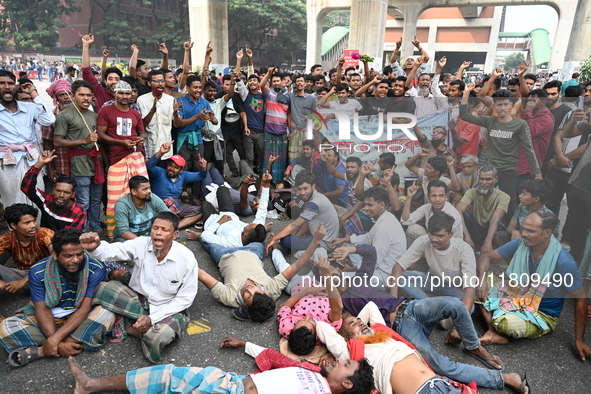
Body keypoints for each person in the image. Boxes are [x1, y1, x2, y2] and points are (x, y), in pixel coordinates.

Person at [317, 300, 531, 393]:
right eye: (354, 324)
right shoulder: (352, 352)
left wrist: (358, 324)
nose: (361, 323)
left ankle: (479, 350)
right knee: (445, 365)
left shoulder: (381, 332)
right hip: (422, 389)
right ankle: (503, 378)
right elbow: (321, 327)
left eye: (359, 320)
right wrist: (345, 332)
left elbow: (372, 308)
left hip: (439, 384)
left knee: (454, 306)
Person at [66, 336, 374, 394]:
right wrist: (245, 344)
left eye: (348, 366)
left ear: (346, 383)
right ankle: (90, 384)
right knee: (165, 375)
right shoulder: (314, 369)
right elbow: (277, 357)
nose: (342, 361)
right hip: (230, 380)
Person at [82, 212, 198, 363]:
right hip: (138, 299)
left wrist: (152, 319)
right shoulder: (141, 244)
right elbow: (112, 251)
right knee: (104, 289)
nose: (158, 232)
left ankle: (128, 325)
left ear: (175, 235)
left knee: (159, 337)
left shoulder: (187, 259)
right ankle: (137, 326)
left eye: (164, 230)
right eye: (155, 228)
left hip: (168, 308)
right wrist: (95, 248)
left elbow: (185, 299)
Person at [476, 210, 591, 363]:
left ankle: (492, 317)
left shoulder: (565, 263)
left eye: (530, 230)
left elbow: (581, 299)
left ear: (547, 233)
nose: (523, 233)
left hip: (540, 314)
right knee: (474, 283)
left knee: (506, 324)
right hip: (513, 294)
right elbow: (486, 257)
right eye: (523, 228)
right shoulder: (521, 244)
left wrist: (579, 339)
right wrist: (482, 279)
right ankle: (493, 329)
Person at [0, 229, 114, 367]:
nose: (76, 260)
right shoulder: (37, 271)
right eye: (68, 256)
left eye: (80, 254)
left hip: (82, 315)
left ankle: (42, 350)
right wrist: (59, 341)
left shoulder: (96, 268)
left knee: (106, 313)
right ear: (55, 254)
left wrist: (54, 341)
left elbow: (85, 308)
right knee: (6, 327)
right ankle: (72, 344)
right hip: (50, 317)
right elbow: (41, 310)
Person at [198, 224, 327, 322]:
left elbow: (201, 274)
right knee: (261, 239)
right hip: (252, 251)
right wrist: (315, 241)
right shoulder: (271, 289)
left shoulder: (230, 297)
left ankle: (199, 234)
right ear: (265, 293)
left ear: (246, 307)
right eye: (256, 291)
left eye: (248, 296)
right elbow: (298, 265)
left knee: (206, 241)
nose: (249, 290)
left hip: (225, 254)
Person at [460, 83, 542, 212]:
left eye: (505, 104)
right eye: (499, 105)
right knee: (485, 201)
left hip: (508, 171)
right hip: (489, 169)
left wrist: (537, 173)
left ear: (510, 105)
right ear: (494, 106)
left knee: (509, 203)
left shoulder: (520, 124)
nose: (502, 108)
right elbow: (464, 115)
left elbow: (529, 149)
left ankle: (510, 229)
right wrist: (465, 94)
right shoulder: (489, 121)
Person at [392, 211, 477, 313]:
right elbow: (398, 265)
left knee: (470, 306)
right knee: (401, 276)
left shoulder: (464, 249)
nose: (434, 239)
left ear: (451, 234)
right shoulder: (423, 241)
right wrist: (393, 301)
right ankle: (434, 305)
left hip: (455, 288)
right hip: (433, 281)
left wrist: (459, 325)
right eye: (431, 234)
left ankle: (428, 304)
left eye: (440, 236)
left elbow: (470, 288)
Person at [97, 80, 148, 240]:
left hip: (136, 157)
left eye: (128, 93)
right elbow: (101, 135)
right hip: (116, 159)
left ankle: (140, 228)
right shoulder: (105, 111)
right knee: (114, 197)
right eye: (121, 93)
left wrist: (141, 139)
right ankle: (113, 234)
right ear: (114, 93)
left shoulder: (135, 113)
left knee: (143, 192)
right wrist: (121, 142)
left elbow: (143, 133)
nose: (125, 96)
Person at [53, 79, 105, 233]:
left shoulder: (95, 115)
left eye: (89, 95)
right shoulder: (65, 115)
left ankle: (95, 227)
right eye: (81, 95)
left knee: (96, 200)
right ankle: (80, 231)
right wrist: (85, 140)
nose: (86, 98)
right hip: (79, 162)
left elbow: (100, 142)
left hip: (97, 162)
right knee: (83, 201)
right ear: (73, 95)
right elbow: (57, 141)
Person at [329, 187, 406, 287]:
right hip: (378, 265)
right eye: (365, 205)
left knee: (336, 282)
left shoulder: (384, 228)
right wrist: (343, 239)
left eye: (370, 205)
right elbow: (367, 238)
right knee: (349, 245)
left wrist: (351, 269)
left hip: (383, 276)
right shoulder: (385, 218)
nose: (365, 208)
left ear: (382, 205)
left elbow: (374, 261)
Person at [0, 71, 55, 208]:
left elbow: (49, 119)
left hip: (32, 160)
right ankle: (14, 229)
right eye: (2, 83)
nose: (7, 86)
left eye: (11, 83)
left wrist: (33, 92)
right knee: (12, 202)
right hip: (7, 162)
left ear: (16, 87)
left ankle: (36, 229)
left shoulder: (29, 107)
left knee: (36, 198)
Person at [278, 254, 343, 356]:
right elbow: (338, 307)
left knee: (280, 263)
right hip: (324, 282)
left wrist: (308, 291)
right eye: (312, 323)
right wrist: (326, 275)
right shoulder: (326, 330)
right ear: (316, 336)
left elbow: (284, 306)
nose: (308, 317)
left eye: (301, 320)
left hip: (298, 284)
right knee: (321, 253)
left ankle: (279, 249)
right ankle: (309, 258)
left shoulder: (287, 327)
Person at [191, 171, 272, 250]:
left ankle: (214, 209)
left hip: (212, 221)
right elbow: (263, 208)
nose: (250, 223)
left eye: (249, 225)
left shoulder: (232, 242)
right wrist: (267, 184)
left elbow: (205, 236)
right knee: (222, 189)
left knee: (205, 204)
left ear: (246, 234)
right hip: (230, 215)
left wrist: (219, 222)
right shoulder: (256, 227)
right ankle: (217, 209)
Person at [268, 170, 339, 252]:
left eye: (305, 188)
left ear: (313, 186)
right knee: (295, 229)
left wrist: (275, 239)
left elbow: (295, 224)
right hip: (323, 236)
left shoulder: (314, 203)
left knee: (285, 241)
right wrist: (298, 236)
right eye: (299, 189)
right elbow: (307, 221)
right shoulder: (314, 196)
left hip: (324, 244)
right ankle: (300, 238)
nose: (302, 192)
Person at [21, 150, 86, 231]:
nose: (61, 195)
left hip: (62, 242)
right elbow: (26, 188)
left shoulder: (78, 212)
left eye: (66, 192)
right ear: (53, 190)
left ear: (73, 195)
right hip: (43, 240)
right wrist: (39, 165)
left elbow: (70, 238)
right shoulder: (47, 200)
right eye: (58, 191)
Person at [146, 141, 207, 225]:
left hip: (176, 209)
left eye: (175, 167)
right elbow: (149, 166)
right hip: (158, 208)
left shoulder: (183, 175)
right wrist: (161, 153)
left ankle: (176, 227)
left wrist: (203, 168)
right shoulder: (159, 172)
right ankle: (171, 224)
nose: (171, 168)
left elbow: (201, 176)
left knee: (200, 211)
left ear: (181, 170)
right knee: (158, 219)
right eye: (170, 165)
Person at [174, 74, 214, 195]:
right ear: (188, 88)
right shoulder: (180, 102)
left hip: (198, 137)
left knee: (199, 165)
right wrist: (197, 117)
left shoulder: (204, 102)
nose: (198, 90)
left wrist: (212, 118)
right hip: (184, 137)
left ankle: (196, 193)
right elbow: (179, 124)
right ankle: (182, 191)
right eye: (195, 87)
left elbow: (215, 120)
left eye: (199, 87)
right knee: (182, 166)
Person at [0, 204, 54, 293]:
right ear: (13, 225)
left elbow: (56, 256)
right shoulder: (7, 239)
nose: (33, 225)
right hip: (22, 274)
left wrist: (23, 281)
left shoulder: (45, 233)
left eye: (34, 221)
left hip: (46, 274)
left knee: (58, 261)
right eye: (27, 223)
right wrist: (2, 284)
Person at [456, 165, 510, 253]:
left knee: (495, 221)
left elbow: (495, 219)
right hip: (474, 230)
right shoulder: (471, 192)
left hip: (490, 231)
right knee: (462, 213)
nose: (484, 182)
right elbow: (458, 210)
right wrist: (467, 237)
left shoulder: (504, 197)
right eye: (481, 179)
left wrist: (488, 242)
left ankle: (491, 247)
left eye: (488, 179)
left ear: (496, 179)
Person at [496, 179, 559, 246]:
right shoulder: (522, 207)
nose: (520, 196)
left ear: (536, 199)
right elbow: (510, 227)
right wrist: (514, 232)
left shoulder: (549, 217)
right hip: (520, 238)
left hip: (536, 244)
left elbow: (549, 242)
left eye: (524, 194)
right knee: (499, 235)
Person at [402, 180, 463, 246]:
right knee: (412, 229)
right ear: (428, 197)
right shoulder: (427, 207)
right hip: (433, 238)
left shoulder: (452, 214)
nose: (437, 199)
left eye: (441, 196)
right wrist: (409, 197)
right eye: (434, 196)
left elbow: (443, 237)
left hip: (450, 245)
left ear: (446, 197)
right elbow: (406, 220)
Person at [517, 89, 554, 193]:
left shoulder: (546, 119)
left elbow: (529, 132)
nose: (529, 103)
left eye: (533, 101)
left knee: (524, 198)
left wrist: (528, 111)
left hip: (529, 167)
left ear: (543, 102)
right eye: (529, 100)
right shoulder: (528, 115)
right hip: (518, 162)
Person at [113, 176, 170, 241]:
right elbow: (123, 232)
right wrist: (144, 243)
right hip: (129, 238)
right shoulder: (122, 204)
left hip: (149, 234)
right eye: (145, 189)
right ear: (134, 191)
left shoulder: (152, 197)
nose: (149, 191)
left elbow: (168, 215)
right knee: (120, 243)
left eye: (149, 188)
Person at [136, 69, 176, 162]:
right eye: (156, 81)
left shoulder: (171, 100)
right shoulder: (142, 100)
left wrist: (176, 113)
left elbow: (176, 124)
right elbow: (141, 126)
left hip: (167, 151)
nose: (160, 84)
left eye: (162, 81)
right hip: (151, 151)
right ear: (149, 83)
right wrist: (152, 111)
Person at [42, 79, 74, 186]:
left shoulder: (80, 114)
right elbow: (48, 144)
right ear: (56, 98)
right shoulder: (51, 117)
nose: (66, 97)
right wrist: (50, 169)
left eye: (68, 94)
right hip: (61, 163)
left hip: (80, 165)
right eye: (61, 95)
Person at [80, 34, 122, 108]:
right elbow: (86, 72)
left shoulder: (127, 97)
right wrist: (86, 45)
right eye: (110, 79)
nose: (114, 82)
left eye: (117, 79)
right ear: (105, 81)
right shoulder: (100, 93)